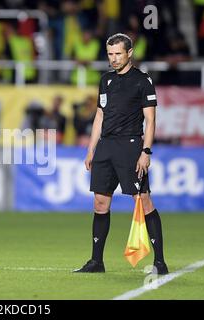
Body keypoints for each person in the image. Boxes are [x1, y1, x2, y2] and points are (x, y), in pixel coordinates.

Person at [73, 33, 168, 275]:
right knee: (100, 203)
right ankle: (96, 261)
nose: (114, 59)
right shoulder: (105, 80)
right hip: (106, 146)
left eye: (118, 54)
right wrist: (91, 149)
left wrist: (146, 151)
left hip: (131, 146)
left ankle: (159, 262)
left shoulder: (143, 81)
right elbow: (100, 116)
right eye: (110, 54)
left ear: (130, 53)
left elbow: (151, 119)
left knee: (143, 201)